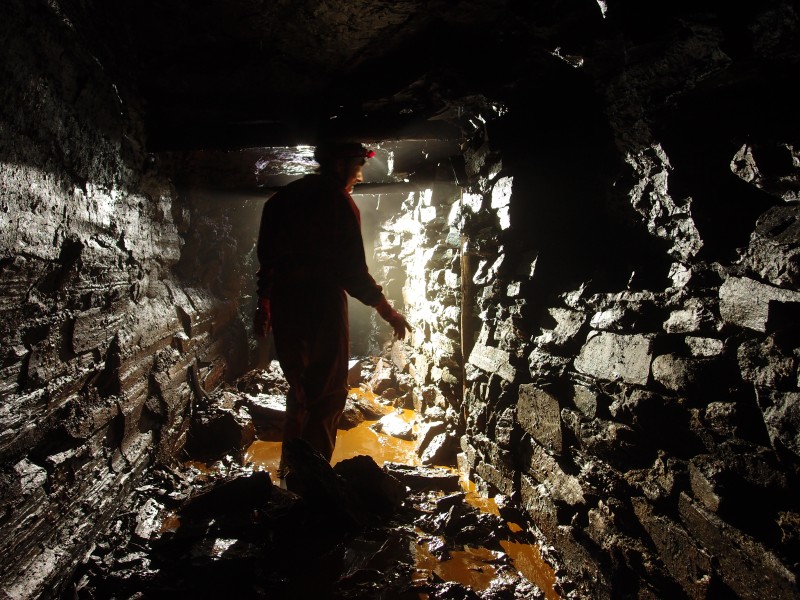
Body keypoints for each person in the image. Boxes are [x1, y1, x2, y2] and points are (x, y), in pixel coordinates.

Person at [253, 141, 411, 479]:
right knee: (327, 392)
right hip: (321, 303)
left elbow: (267, 261)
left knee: (297, 387)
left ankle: (288, 471)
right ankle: (312, 480)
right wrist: (387, 311)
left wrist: (264, 305)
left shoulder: (278, 201)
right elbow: (351, 271)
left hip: (285, 301)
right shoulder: (340, 203)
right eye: (357, 167)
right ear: (340, 164)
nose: (360, 175)